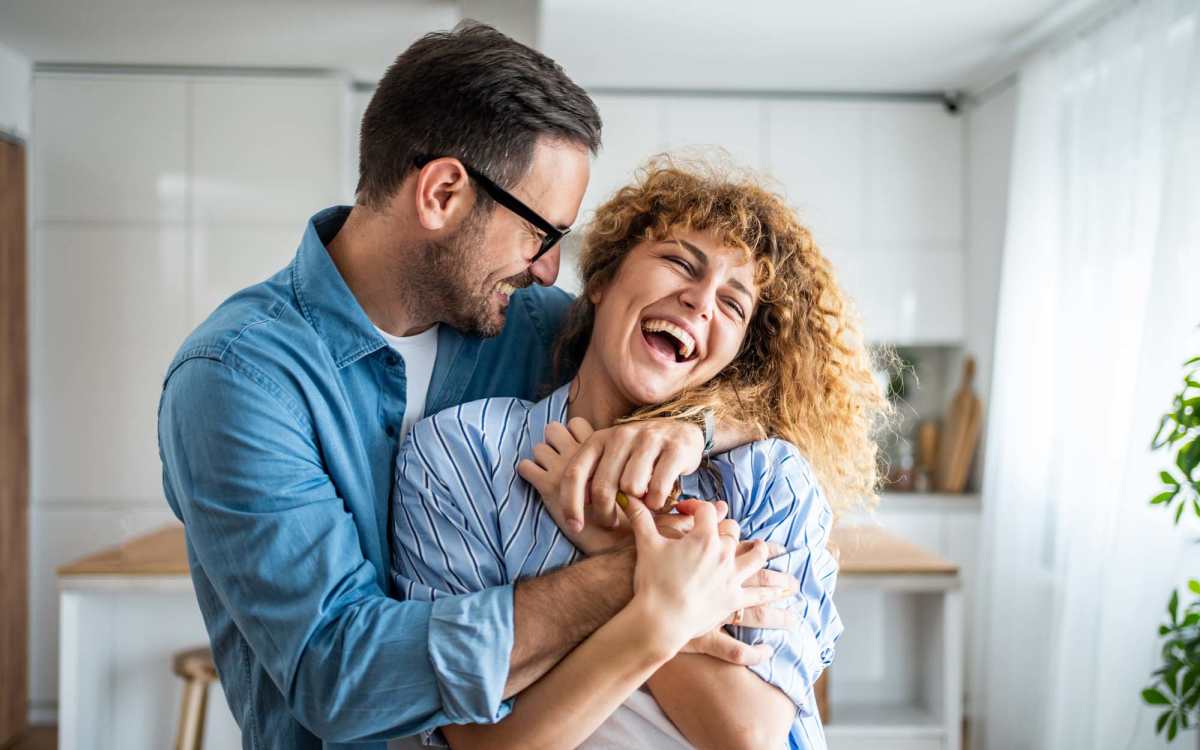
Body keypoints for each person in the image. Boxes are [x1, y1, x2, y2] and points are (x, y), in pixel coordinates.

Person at [158, 23, 784, 750]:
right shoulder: (237, 381)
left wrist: (693, 426)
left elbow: (757, 391)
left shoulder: (536, 325)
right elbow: (343, 675)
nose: (550, 271)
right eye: (541, 235)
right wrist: (646, 575)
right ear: (444, 192)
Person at [390, 160, 891, 749]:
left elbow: (749, 736)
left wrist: (622, 544)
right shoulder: (461, 454)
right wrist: (670, 604)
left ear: (737, 350)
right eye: (680, 263)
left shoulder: (765, 478)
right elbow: (479, 739)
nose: (701, 303)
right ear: (601, 279)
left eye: (732, 304)